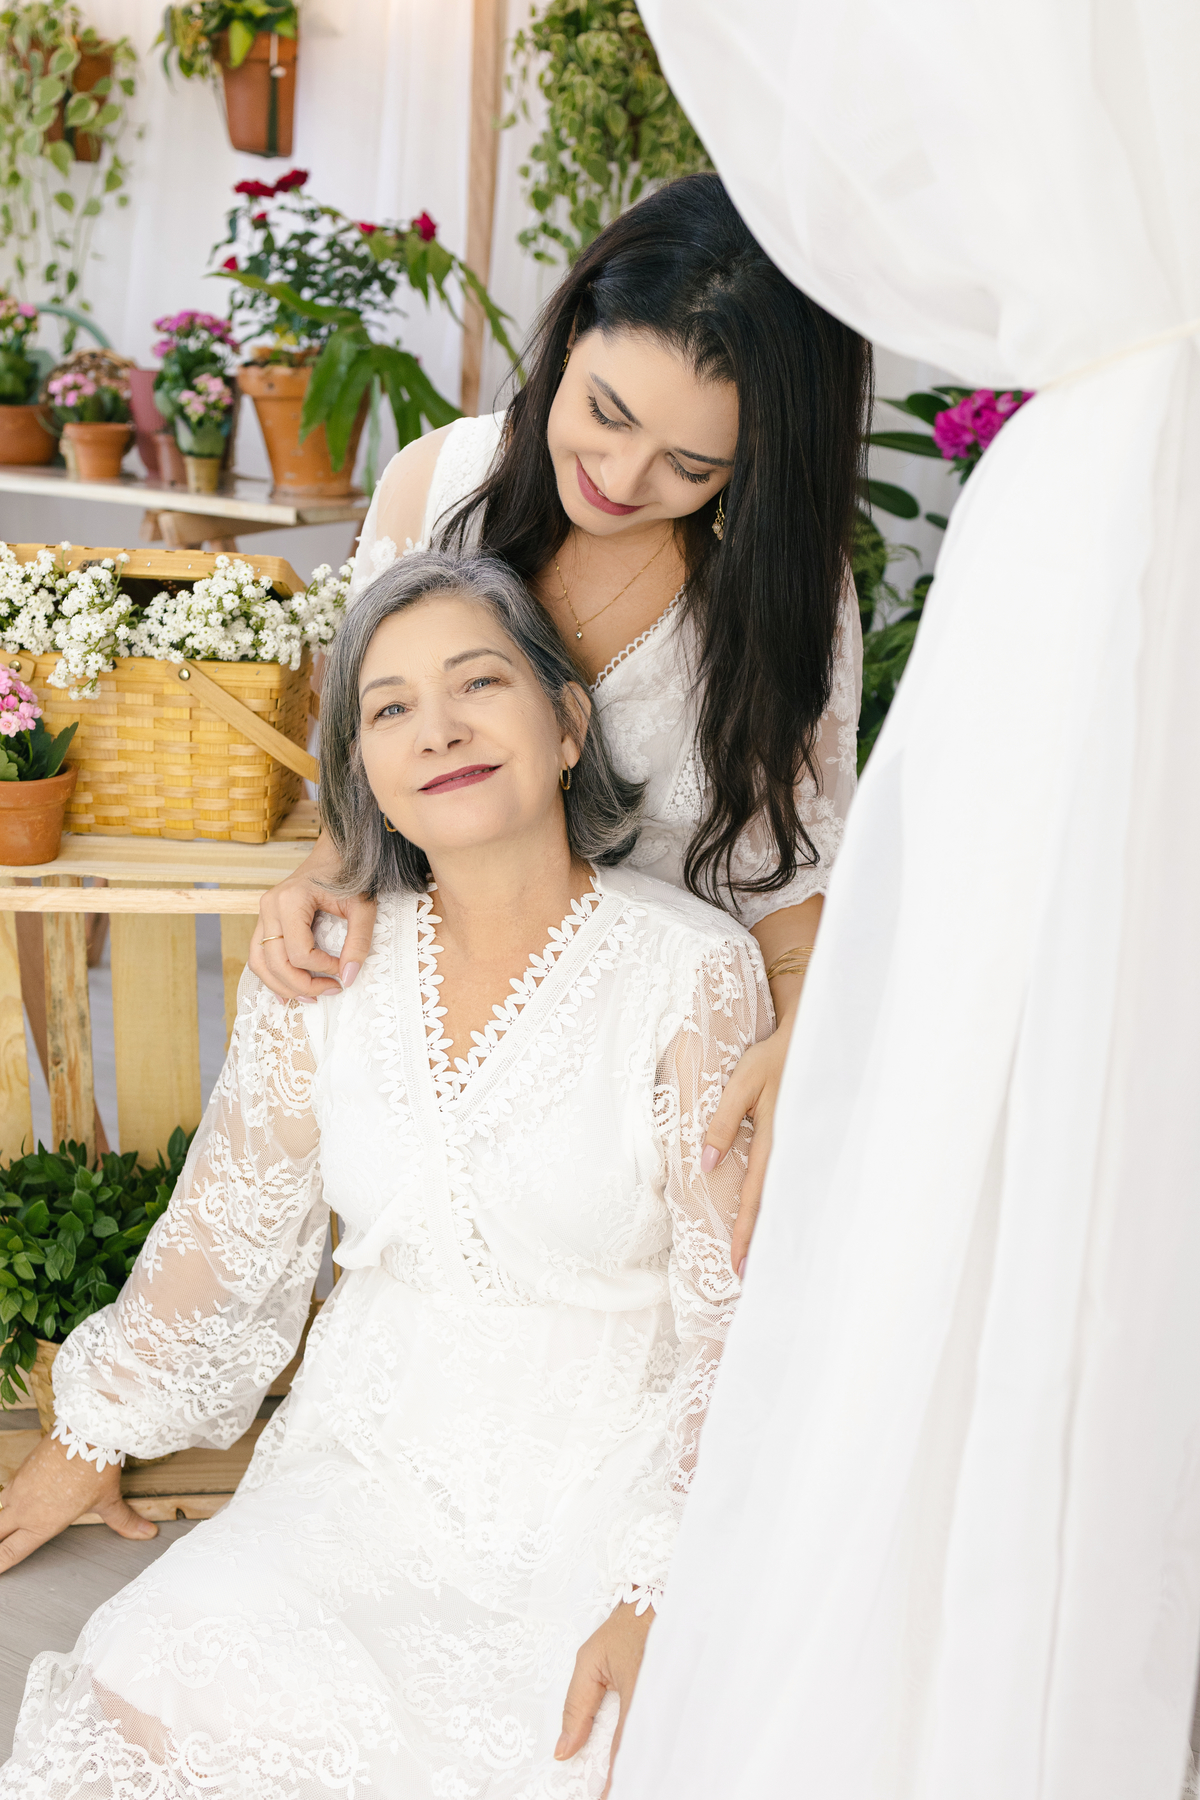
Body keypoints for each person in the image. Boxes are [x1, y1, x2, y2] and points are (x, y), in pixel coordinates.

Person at [0, 552, 771, 1799]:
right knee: (142, 1671)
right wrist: (94, 1433)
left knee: (590, 1754)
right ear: (363, 774)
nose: (442, 729)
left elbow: (736, 1314)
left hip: (593, 1488)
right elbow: (229, 1226)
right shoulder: (329, 965)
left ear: (567, 725)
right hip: (363, 1476)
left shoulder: (689, 973)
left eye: (481, 684)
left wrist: (653, 1579)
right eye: (392, 708)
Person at [253, 172, 871, 1261]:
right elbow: (372, 754)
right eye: (605, 414)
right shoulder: (436, 485)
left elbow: (792, 873)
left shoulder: (788, 592)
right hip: (441, 1000)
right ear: (573, 328)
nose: (623, 479)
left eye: (692, 466)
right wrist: (324, 869)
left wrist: (810, 1024)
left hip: (652, 1050)